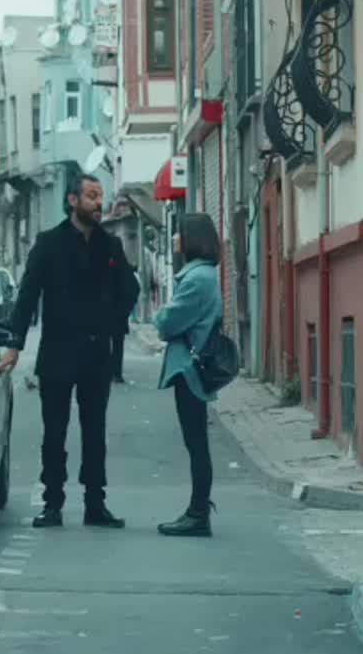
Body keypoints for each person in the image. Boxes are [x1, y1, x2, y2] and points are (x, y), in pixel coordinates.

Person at [0, 174, 139, 529]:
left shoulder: (110, 245)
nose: (98, 202)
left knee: (95, 431)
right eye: (91, 196)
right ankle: (52, 503)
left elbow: (129, 291)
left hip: (96, 354)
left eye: (100, 196)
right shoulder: (49, 244)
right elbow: (27, 296)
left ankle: (95, 504)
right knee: (54, 432)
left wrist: (110, 322)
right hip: (57, 352)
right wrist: (14, 345)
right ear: (73, 200)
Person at [152, 212, 223, 538]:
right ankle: (198, 509)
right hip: (194, 365)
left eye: (179, 233)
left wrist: (160, 316)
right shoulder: (202, 275)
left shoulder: (196, 279)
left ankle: (198, 513)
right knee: (196, 442)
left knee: (196, 443)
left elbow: (168, 323)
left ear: (193, 238)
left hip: (189, 369)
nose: (175, 238)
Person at [110, 264, 139, 384]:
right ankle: (115, 373)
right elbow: (135, 288)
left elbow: (135, 288)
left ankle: (112, 373)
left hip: (109, 314)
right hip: (118, 315)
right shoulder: (122, 267)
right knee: (117, 345)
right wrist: (126, 309)